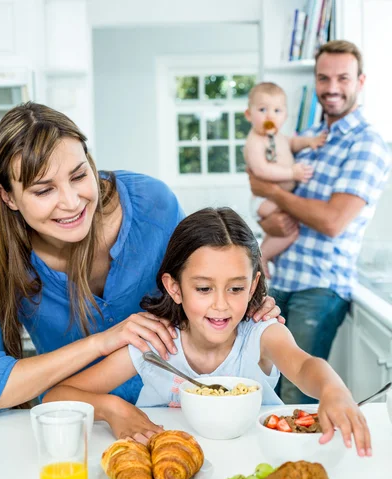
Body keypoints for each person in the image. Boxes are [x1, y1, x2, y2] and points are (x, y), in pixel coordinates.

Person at [0, 101, 281, 441]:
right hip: (78, 424)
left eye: (79, 175)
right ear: (8, 197)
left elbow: (205, 278)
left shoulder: (151, 202)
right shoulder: (1, 255)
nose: (71, 202)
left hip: (176, 417)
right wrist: (103, 346)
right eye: (43, 190)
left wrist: (247, 300)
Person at [45, 207, 371, 456]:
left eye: (235, 288)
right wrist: (113, 409)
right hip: (173, 467)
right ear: (174, 288)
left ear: (254, 285)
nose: (221, 306)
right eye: (203, 288)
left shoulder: (260, 334)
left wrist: (333, 390)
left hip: (252, 463)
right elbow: (57, 396)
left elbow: (303, 366)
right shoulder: (156, 344)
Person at [247, 40, 391, 405]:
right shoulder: (310, 137)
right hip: (282, 278)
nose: (331, 87)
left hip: (320, 286)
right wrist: (272, 208)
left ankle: (303, 463)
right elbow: (257, 182)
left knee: (299, 391)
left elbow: (331, 221)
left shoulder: (367, 144)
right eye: (323, 78)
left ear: (360, 81)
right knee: (267, 387)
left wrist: (275, 195)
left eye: (342, 78)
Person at [244, 82, 327, 278]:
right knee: (291, 230)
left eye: (277, 110)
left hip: (275, 199)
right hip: (264, 201)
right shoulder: (255, 141)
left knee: (283, 230)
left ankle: (266, 253)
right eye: (262, 109)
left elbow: (292, 143)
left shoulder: (278, 136)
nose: (270, 116)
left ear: (285, 116)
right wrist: (292, 173)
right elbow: (260, 169)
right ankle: (261, 257)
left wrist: (309, 141)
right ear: (249, 114)